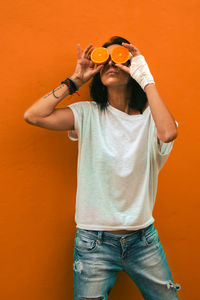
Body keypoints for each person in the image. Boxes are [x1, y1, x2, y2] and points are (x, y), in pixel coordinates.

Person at [24, 36, 181, 300]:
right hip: (93, 242)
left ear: (131, 68)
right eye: (104, 59)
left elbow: (168, 133)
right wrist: (74, 81)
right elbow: (33, 116)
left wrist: (146, 77)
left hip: (143, 240)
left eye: (118, 58)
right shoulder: (87, 114)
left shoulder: (152, 119)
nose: (110, 63)